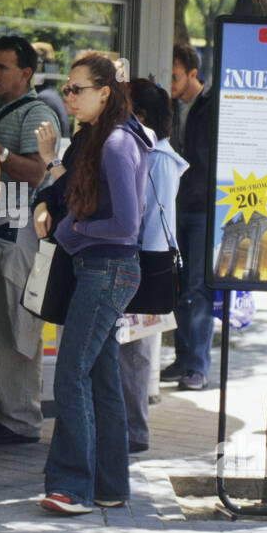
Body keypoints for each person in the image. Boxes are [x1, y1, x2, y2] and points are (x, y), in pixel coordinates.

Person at [32, 54, 151, 514]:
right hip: (99, 268)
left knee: (71, 374)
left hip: (107, 268)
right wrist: (50, 168)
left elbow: (125, 222)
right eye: (66, 89)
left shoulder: (118, 143)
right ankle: (109, 486)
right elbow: (75, 192)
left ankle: (72, 487)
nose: (68, 97)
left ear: (105, 92)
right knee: (100, 376)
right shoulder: (95, 138)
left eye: (76, 89)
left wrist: (73, 232)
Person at [0, 35, 62, 445]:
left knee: (17, 329)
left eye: (2, 68)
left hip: (20, 235)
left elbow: (37, 172)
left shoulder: (39, 114)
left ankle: (20, 420)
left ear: (26, 73)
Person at [118, 78, 187, 454]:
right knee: (127, 351)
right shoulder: (148, 153)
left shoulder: (158, 158)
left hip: (146, 265)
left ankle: (134, 431)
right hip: (140, 262)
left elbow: (156, 225)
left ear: (140, 116)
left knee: (134, 353)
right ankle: (127, 428)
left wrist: (143, 272)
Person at [164, 42, 216, 391]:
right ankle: (183, 358)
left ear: (193, 74)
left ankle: (197, 365)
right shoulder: (169, 106)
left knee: (198, 287)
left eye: (176, 77)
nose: (170, 84)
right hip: (174, 205)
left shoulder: (212, 105)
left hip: (201, 208)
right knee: (177, 284)